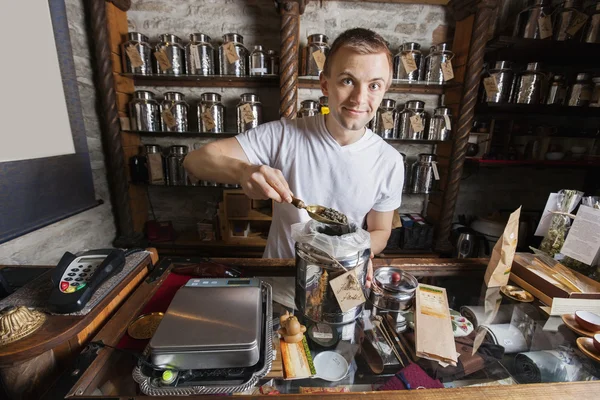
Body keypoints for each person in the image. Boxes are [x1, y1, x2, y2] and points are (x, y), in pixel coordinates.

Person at [184, 28, 404, 306]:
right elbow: (194, 161)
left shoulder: (390, 161)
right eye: (347, 81)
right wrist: (242, 171)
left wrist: (356, 254)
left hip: (345, 283)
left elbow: (380, 232)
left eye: (374, 85)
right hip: (282, 285)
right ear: (325, 84)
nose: (360, 98)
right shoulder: (283, 136)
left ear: (385, 89)